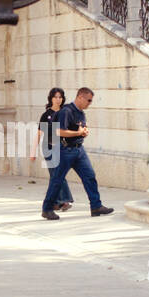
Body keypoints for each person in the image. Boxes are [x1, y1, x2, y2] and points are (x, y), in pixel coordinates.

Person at [41, 87, 114, 219]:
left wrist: (83, 133)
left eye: (91, 101)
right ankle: (47, 209)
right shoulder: (66, 111)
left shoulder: (81, 113)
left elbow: (79, 129)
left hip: (79, 150)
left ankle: (96, 206)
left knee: (90, 176)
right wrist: (78, 133)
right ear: (80, 97)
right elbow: (59, 131)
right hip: (65, 150)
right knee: (57, 180)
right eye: (88, 100)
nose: (90, 103)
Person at [31, 87, 73, 211]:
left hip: (61, 148)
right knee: (56, 174)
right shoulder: (46, 115)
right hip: (48, 148)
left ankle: (55, 202)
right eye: (55, 97)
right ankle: (64, 201)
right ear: (51, 98)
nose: (58, 99)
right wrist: (33, 152)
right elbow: (39, 134)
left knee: (56, 175)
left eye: (60, 97)